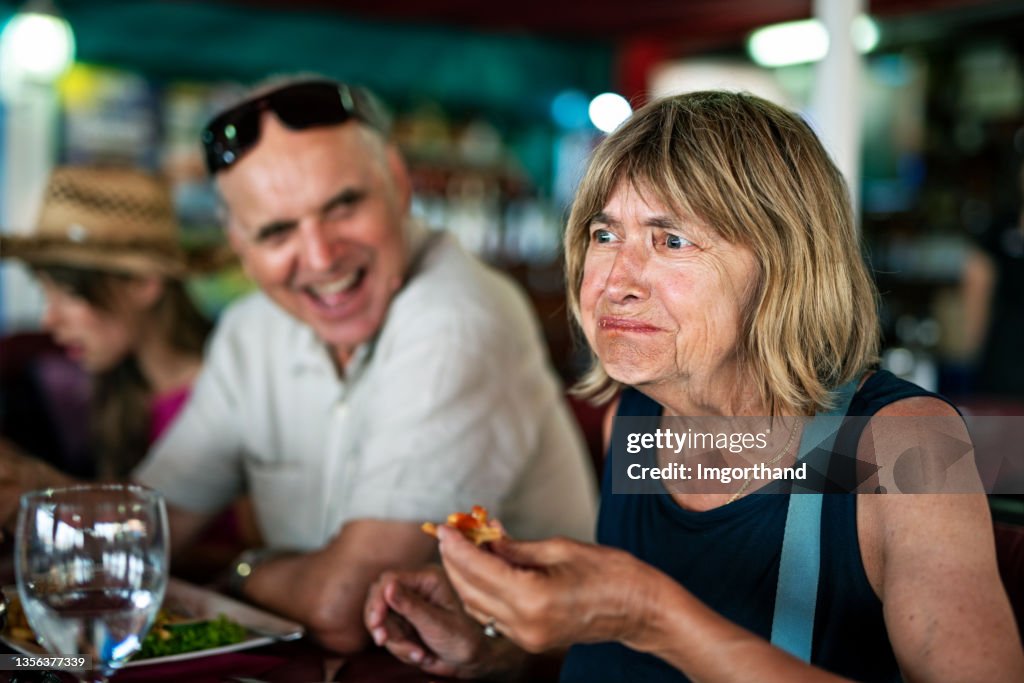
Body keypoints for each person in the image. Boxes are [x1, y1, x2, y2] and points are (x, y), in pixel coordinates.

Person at [365, 91, 1024, 681]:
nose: (615, 279)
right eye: (604, 233)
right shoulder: (643, 413)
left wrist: (646, 611)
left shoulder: (903, 444)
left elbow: (652, 628)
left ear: (783, 266)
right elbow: (629, 659)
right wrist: (494, 648)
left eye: (671, 239)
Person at [103, 78, 591, 652]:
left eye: (343, 206)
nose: (320, 257)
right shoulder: (250, 330)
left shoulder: (457, 316)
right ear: (239, 243)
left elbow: (345, 608)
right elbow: (137, 541)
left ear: (399, 184)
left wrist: (240, 570)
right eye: (277, 230)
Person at [0, 165, 258, 566]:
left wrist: (35, 490)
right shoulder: (119, 389)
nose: (49, 319)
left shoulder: (234, 392)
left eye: (68, 293)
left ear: (144, 284)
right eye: (45, 293)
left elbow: (253, 553)